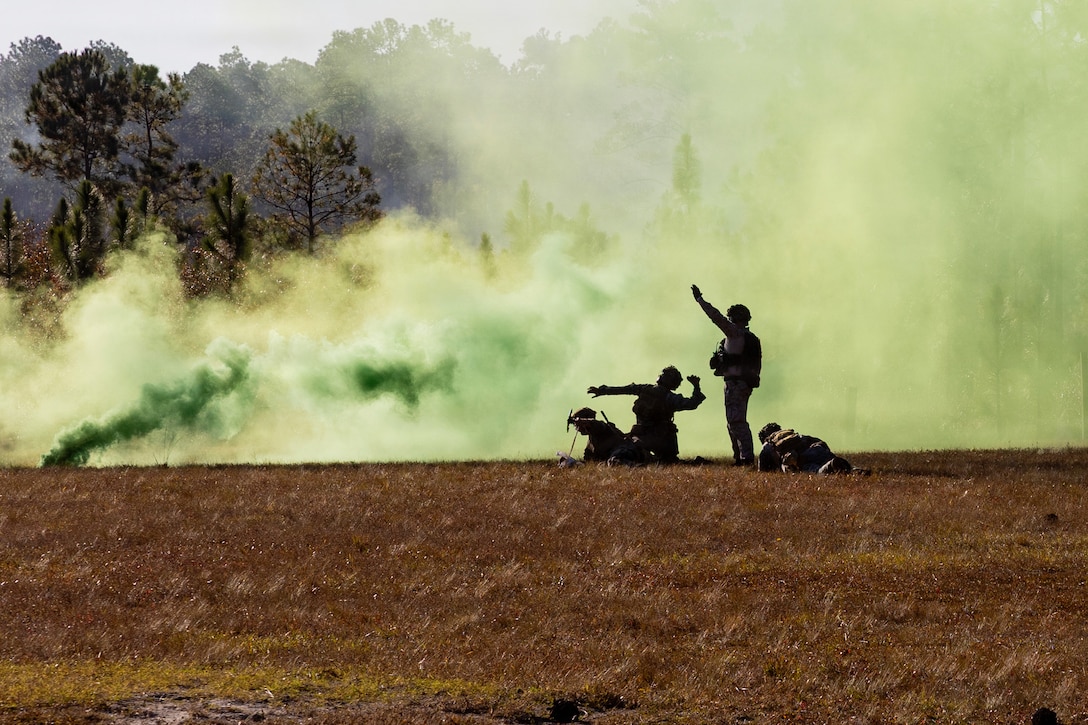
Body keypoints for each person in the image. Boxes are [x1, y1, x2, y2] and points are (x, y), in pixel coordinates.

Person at [691, 284, 761, 466]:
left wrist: (700, 300)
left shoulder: (734, 334)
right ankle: (740, 458)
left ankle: (746, 459)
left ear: (734, 318)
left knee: (736, 422)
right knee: (733, 422)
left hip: (735, 385)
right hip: (742, 384)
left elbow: (715, 317)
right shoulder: (750, 338)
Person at [587, 366, 705, 463]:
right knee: (665, 461)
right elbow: (692, 403)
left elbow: (625, 389)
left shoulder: (651, 392)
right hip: (653, 438)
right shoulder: (668, 397)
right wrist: (696, 387)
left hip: (657, 438)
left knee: (632, 454)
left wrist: (603, 391)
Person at [756, 422, 865, 474]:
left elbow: (762, 474)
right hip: (817, 448)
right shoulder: (793, 435)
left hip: (802, 457)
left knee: (818, 472)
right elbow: (819, 442)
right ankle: (855, 470)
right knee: (845, 470)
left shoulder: (768, 445)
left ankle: (832, 465)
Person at [565, 407, 649, 466]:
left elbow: (594, 423)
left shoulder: (602, 428)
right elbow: (590, 461)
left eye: (576, 425)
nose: (576, 428)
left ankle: (638, 467)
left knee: (615, 462)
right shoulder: (591, 443)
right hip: (621, 454)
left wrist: (582, 421)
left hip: (626, 452)